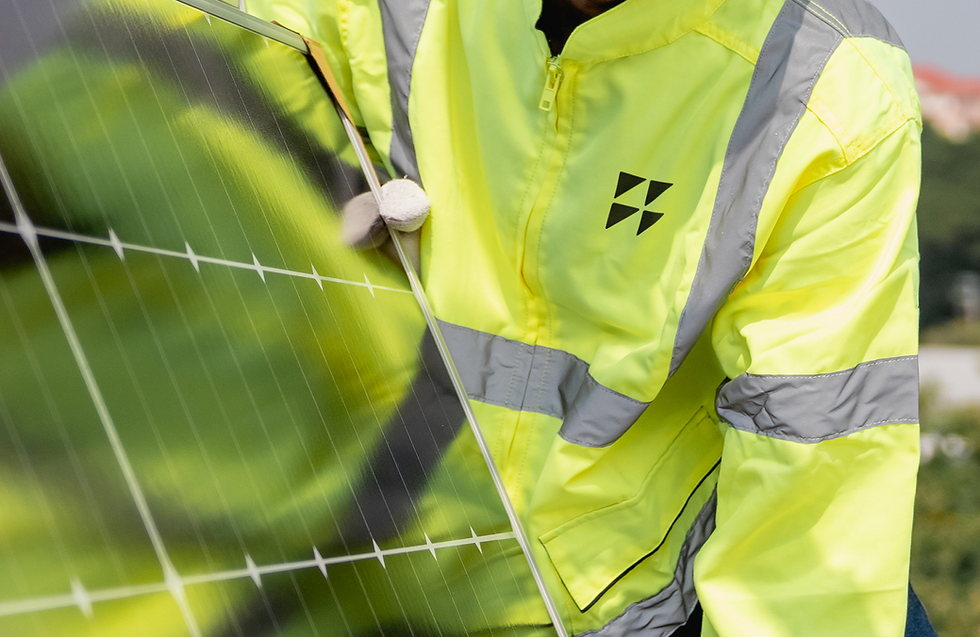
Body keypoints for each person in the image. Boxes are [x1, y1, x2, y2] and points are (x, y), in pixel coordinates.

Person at [247, 0, 932, 634]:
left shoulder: (827, 92)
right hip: (360, 536)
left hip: (631, 595)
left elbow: (808, 513)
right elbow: (204, 69)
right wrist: (284, 180)